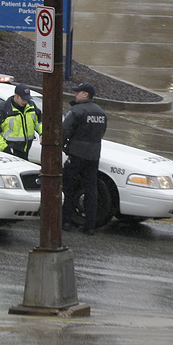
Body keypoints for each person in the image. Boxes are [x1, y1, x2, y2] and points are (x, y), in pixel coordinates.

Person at [61, 82, 107, 235]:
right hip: (93, 156)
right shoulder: (101, 112)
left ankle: (66, 221)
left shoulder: (77, 110)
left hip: (76, 154)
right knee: (91, 189)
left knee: (68, 186)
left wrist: (61, 146)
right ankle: (89, 226)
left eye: (78, 92)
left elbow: (65, 131)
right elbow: (101, 133)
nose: (75, 94)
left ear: (85, 94)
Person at [0, 83, 42, 160]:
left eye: (27, 99)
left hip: (25, 151)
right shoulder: (3, 110)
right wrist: (5, 148)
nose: (25, 101)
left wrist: (42, 133)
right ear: (16, 96)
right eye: (23, 99)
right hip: (8, 153)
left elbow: (39, 122)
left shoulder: (31, 106)